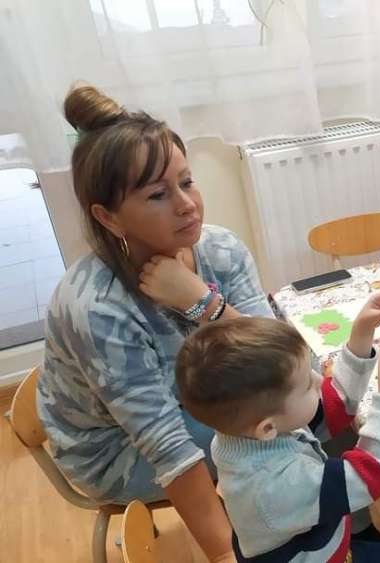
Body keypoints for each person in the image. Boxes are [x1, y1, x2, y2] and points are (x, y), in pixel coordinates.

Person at [35, 84, 272, 561]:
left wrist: (202, 302)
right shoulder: (97, 307)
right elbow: (169, 449)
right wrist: (227, 555)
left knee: (306, 402)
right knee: (281, 429)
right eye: (158, 195)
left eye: (187, 182)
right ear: (109, 217)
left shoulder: (220, 249)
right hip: (113, 447)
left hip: (190, 399)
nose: (187, 204)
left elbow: (280, 357)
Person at [175, 309, 380, 563]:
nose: (319, 380)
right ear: (267, 428)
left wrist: (361, 335)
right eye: (307, 384)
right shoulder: (274, 486)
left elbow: (333, 405)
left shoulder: (248, 429)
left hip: (328, 545)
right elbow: (377, 469)